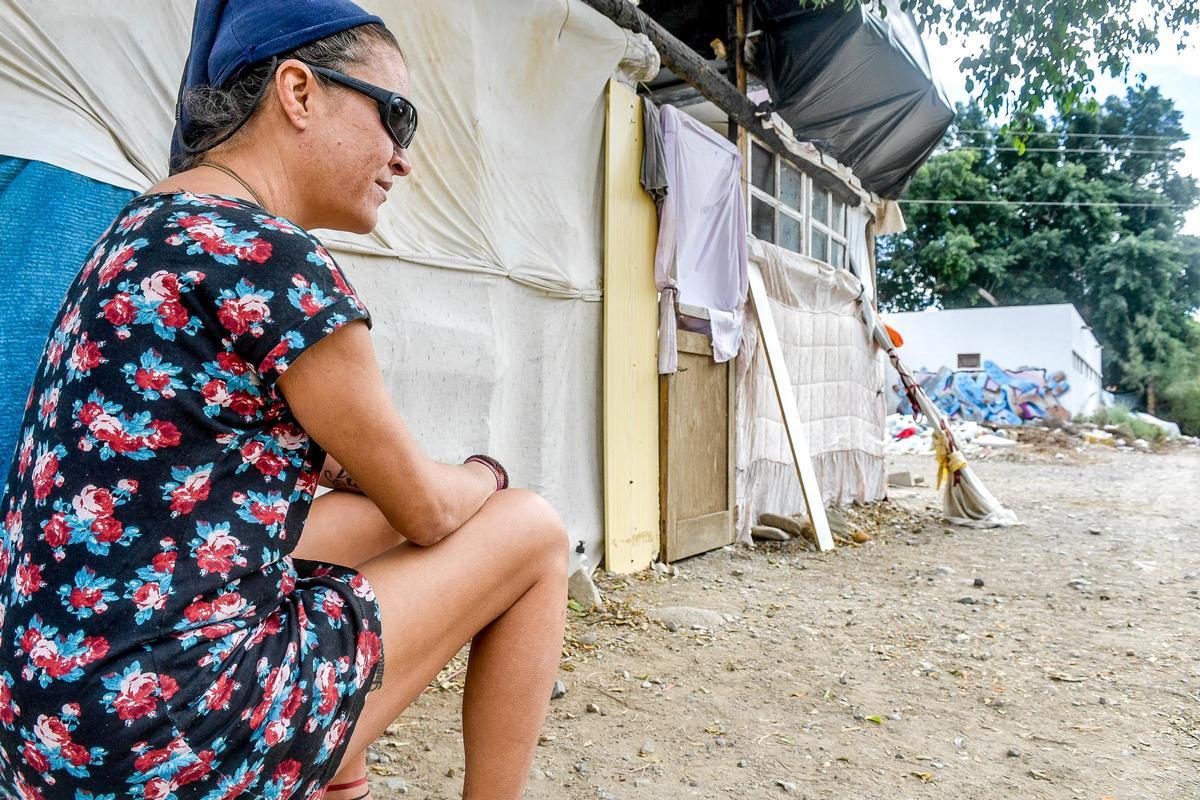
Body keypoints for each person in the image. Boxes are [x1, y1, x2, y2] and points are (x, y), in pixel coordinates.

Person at [0, 2, 569, 798]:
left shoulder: (137, 230)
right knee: (532, 532)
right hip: (167, 742)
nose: (403, 159)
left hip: (51, 734)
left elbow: (253, 461)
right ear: (299, 92)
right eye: (395, 117)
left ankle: (338, 779)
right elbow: (430, 512)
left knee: (349, 540)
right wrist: (488, 474)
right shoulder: (273, 258)